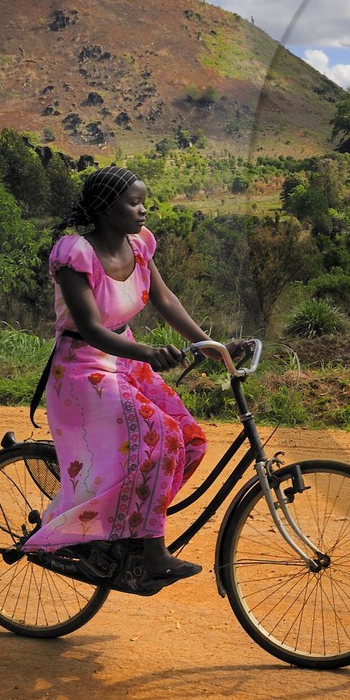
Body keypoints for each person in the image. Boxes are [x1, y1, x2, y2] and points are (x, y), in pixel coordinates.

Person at [22, 165, 211, 583]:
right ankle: (151, 552)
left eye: (144, 202)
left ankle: (125, 532)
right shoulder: (75, 254)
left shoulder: (140, 245)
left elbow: (164, 299)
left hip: (124, 362)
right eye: (135, 203)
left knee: (191, 440)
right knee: (160, 436)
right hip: (81, 368)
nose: (144, 211)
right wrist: (148, 351)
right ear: (107, 209)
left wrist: (208, 346)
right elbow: (89, 327)